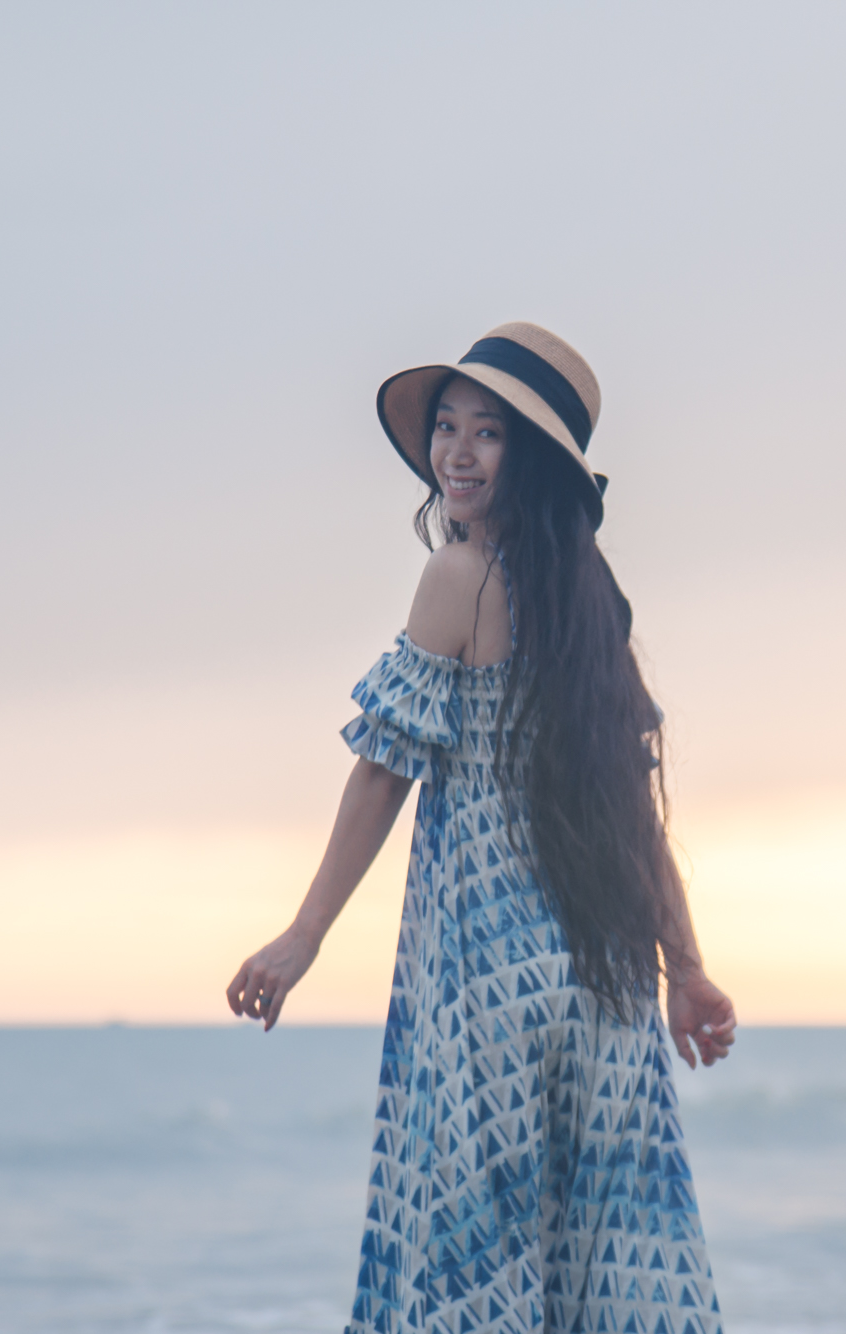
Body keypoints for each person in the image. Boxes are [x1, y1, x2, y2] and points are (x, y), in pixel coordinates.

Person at [225, 323, 735, 1334]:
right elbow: (628, 805)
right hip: (601, 976)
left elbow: (382, 768)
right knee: (592, 1257)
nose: (455, 452)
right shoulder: (594, 596)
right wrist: (686, 965)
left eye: (488, 431)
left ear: (532, 457)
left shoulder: (460, 575)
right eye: (447, 428)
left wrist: (304, 931)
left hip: (488, 967)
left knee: (473, 1265)